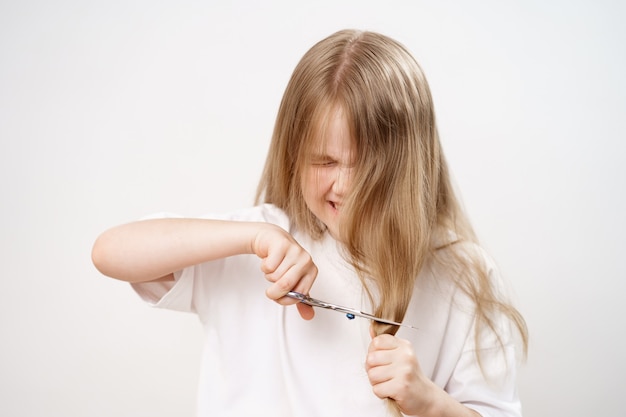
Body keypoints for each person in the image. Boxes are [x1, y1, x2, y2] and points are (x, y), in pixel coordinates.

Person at [92, 29, 528, 417]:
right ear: (294, 154)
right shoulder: (255, 246)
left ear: (409, 165)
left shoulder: (465, 274)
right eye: (325, 161)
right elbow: (109, 252)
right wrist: (255, 235)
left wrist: (433, 404)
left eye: (368, 166)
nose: (344, 186)